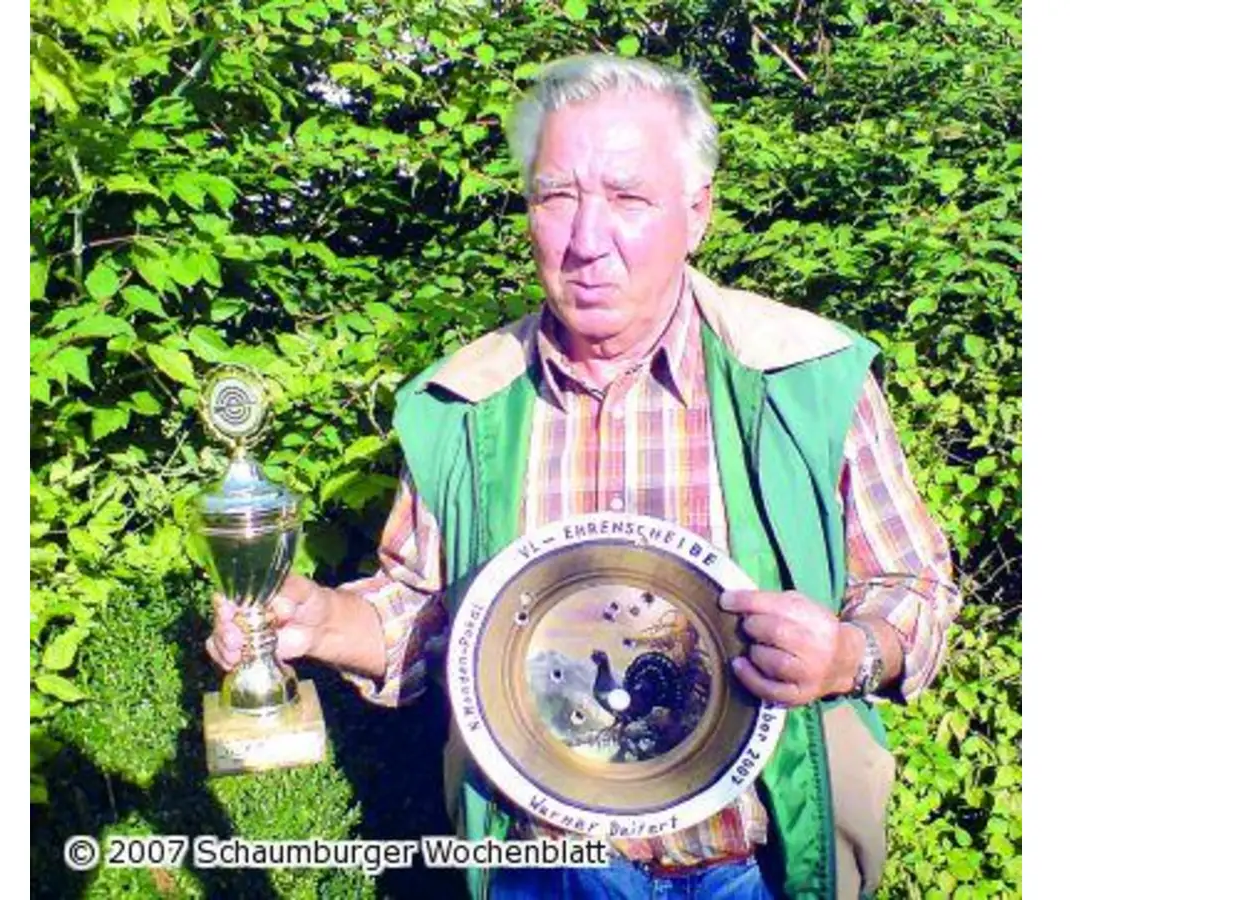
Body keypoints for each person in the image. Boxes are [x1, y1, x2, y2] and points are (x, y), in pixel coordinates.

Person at [207, 54, 961, 900]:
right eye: (557, 196)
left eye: (628, 199)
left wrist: (852, 653)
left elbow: (914, 586)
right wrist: (318, 619)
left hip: (755, 868)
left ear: (697, 213)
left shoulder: (807, 378)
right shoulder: (464, 404)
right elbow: (424, 618)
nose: (587, 239)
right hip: (544, 868)